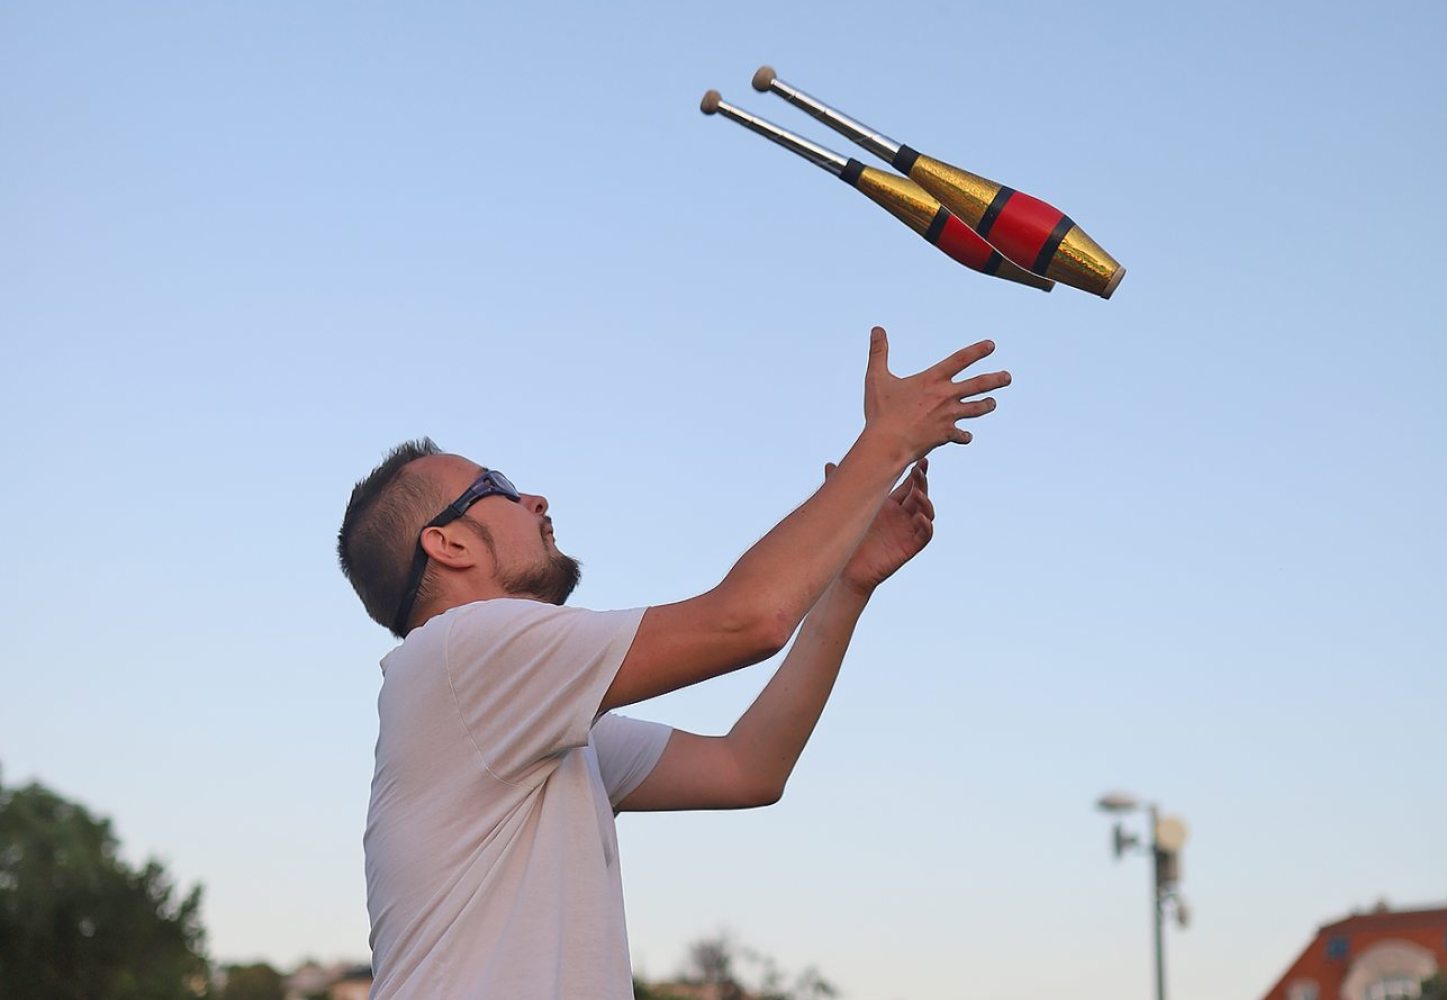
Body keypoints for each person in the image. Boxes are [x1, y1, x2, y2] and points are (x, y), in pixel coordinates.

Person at [336, 327, 1010, 999]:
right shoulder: (465, 649)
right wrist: (888, 440)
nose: (534, 500)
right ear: (448, 543)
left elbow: (747, 769)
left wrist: (846, 586)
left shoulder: (519, 717)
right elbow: (748, 618)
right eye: (498, 486)